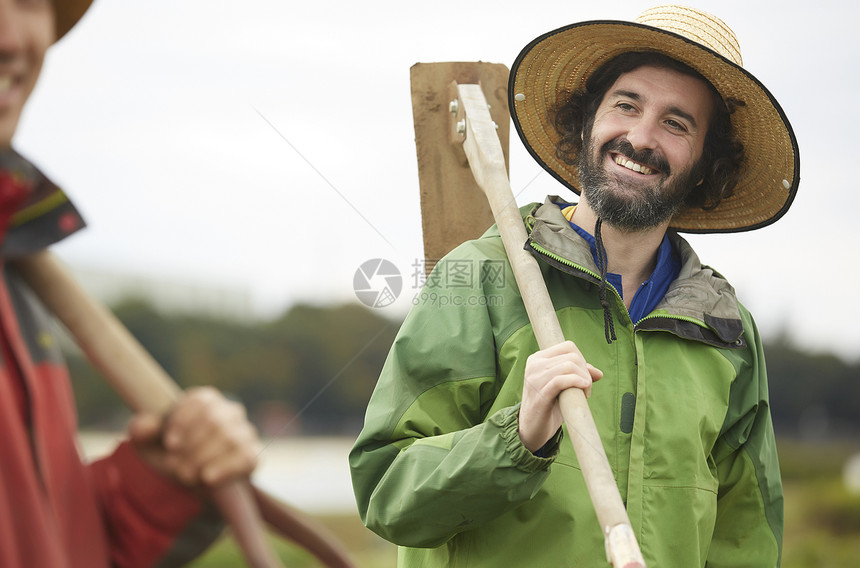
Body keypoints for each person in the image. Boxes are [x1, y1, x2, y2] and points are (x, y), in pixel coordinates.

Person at [350, 5, 796, 567]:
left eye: (676, 123)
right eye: (626, 105)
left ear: (705, 165)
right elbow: (385, 493)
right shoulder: (482, 278)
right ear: (587, 122)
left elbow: (746, 539)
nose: (640, 137)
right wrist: (516, 437)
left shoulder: (725, 331)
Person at [0, 1, 263, 566]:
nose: (9, 38)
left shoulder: (15, 280)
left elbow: (54, 548)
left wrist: (162, 485)